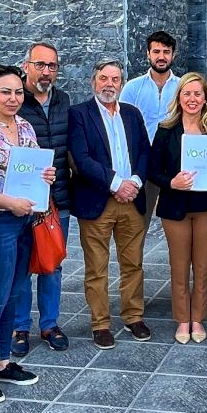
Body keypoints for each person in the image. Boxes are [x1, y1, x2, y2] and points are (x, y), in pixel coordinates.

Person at [0, 66, 53, 403]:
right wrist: (8, 202)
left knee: (14, 294)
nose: (13, 98)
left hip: (23, 221)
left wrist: (45, 176)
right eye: (5, 92)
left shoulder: (25, 126)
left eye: (18, 92)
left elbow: (32, 168)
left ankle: (1, 362)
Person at [68, 59, 153, 350]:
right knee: (97, 267)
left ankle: (133, 317)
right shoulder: (79, 114)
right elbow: (81, 159)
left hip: (132, 199)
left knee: (133, 264)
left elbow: (144, 152)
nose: (109, 84)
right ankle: (100, 324)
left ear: (122, 83)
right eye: (104, 78)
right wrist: (117, 184)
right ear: (93, 81)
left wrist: (136, 182)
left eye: (115, 79)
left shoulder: (132, 113)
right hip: (97, 200)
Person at [149, 73, 207, 344]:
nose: (192, 99)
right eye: (187, 93)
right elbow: (152, 170)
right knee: (179, 266)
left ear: (205, 99)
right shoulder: (165, 130)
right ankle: (183, 319)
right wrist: (171, 182)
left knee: (204, 266)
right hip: (175, 208)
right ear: (179, 97)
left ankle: (198, 317)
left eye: (197, 94)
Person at [11, 42, 71, 356]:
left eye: (52, 66)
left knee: (52, 263)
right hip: (21, 200)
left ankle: (49, 324)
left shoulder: (64, 100)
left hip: (57, 198)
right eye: (40, 65)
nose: (46, 71)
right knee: (21, 266)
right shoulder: (15, 99)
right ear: (27, 66)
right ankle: (20, 326)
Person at [121, 30, 180, 230]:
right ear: (148, 54)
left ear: (173, 55)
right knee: (138, 222)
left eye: (166, 51)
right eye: (156, 51)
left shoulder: (183, 87)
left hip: (175, 162)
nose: (161, 56)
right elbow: (123, 125)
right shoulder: (132, 88)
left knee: (178, 220)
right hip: (143, 161)